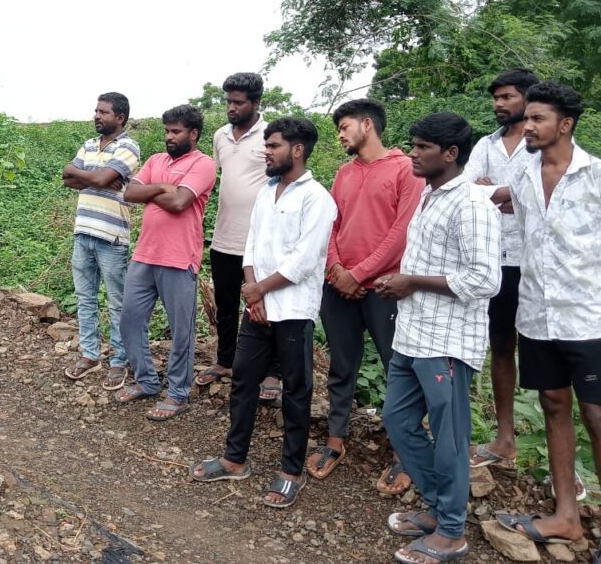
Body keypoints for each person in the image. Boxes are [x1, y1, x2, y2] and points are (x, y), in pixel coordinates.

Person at [190, 118, 336, 510]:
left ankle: (291, 471)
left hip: (292, 311)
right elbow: (251, 245)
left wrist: (260, 291)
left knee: (296, 391)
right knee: (244, 382)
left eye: (273, 146)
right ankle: (234, 458)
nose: (266, 151)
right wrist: (253, 294)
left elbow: (305, 260)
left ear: (297, 149)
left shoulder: (316, 198)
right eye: (267, 145)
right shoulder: (267, 192)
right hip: (257, 308)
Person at [375, 112, 500, 564]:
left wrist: (412, 281)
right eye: (413, 144)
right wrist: (406, 282)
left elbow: (485, 279)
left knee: (449, 438)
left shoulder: (471, 203)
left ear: (450, 154)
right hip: (413, 334)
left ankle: (451, 532)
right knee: (398, 421)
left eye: (422, 146)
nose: (412, 152)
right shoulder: (430, 197)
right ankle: (437, 506)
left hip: (447, 342)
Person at [493, 82, 601, 556]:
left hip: (589, 316)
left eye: (537, 119)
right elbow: (495, 198)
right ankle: (566, 518)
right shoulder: (522, 176)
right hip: (537, 313)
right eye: (526, 118)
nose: (528, 126)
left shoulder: (596, 176)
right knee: (555, 404)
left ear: (566, 124)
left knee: (597, 415)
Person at [307, 99, 424, 495]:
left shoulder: (406, 169)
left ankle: (405, 453)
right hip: (338, 284)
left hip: (384, 289)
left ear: (367, 125)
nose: (340, 134)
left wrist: (359, 274)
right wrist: (338, 270)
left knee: (400, 370)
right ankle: (335, 441)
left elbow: (402, 232)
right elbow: (332, 224)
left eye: (344, 126)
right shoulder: (343, 172)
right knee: (342, 365)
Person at [116, 104, 216, 421]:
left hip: (179, 258)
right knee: (130, 320)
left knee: (181, 332)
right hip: (145, 255)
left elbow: (179, 202)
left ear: (193, 133)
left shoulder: (204, 164)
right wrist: (159, 186)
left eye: (176, 131)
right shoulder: (157, 160)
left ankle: (177, 394)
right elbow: (128, 192)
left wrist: (149, 191)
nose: (169, 137)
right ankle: (146, 381)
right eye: (167, 131)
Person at [464, 68, 540, 471]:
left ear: (528, 99)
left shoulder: (542, 144)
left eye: (508, 96)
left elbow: (538, 192)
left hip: (534, 260)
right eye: (496, 97)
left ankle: (559, 460)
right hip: (492, 257)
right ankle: (505, 438)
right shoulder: (484, 145)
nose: (499, 103)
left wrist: (500, 192)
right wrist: (500, 194)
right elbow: (466, 187)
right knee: (500, 344)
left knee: (542, 349)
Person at [194, 72, 282, 404]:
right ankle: (225, 360)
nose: (231, 107)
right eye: (228, 101)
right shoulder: (220, 136)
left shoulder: (271, 135)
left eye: (238, 102)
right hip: (225, 234)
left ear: (256, 102)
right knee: (227, 303)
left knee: (265, 304)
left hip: (260, 239)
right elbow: (217, 178)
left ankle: (273, 370)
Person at [61, 93, 140, 390]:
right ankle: (90, 355)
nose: (96, 116)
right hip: (83, 231)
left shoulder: (129, 146)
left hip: (112, 236)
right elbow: (67, 178)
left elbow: (89, 177)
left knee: (117, 302)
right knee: (85, 298)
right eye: (96, 110)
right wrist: (97, 177)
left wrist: (89, 175)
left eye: (103, 112)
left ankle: (119, 360)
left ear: (119, 117)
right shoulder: (89, 145)